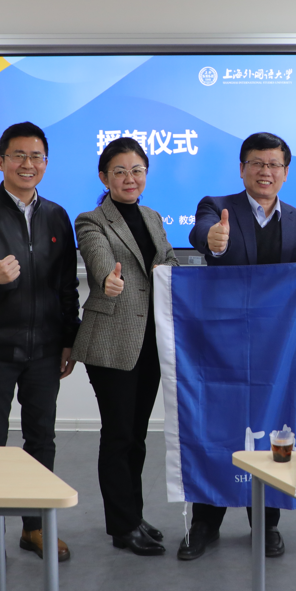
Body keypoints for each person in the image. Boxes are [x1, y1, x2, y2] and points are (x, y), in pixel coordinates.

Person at [0, 122, 81, 586]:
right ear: (1, 161)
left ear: (46, 163)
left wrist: (69, 338)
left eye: (36, 156)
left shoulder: (57, 216)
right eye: (19, 156)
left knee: (41, 439)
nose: (28, 165)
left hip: (44, 349)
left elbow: (67, 286)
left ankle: (34, 526)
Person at [182, 131, 296, 560]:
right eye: (257, 163)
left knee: (272, 428)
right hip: (221, 346)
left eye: (274, 164)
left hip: (276, 351)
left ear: (286, 172)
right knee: (216, 427)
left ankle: (266, 522)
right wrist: (214, 239)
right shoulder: (216, 205)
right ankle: (205, 522)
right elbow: (203, 233)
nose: (265, 171)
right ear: (242, 168)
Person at [72, 137, 179, 557]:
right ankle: (121, 527)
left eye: (137, 170)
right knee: (118, 435)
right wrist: (107, 280)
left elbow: (168, 260)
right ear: (104, 177)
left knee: (136, 436)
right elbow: (100, 260)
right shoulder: (91, 220)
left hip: (151, 340)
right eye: (119, 171)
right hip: (111, 340)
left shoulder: (152, 217)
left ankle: (133, 516)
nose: (129, 178)